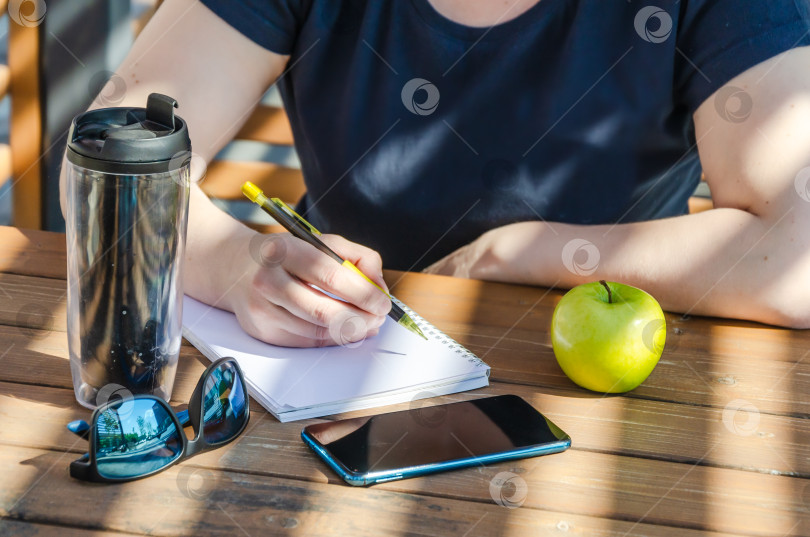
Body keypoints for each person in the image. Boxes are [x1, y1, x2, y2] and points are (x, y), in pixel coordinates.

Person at [65, 0, 810, 347]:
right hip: (338, 358)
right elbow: (105, 165)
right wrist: (233, 263)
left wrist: (514, 254)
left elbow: (799, 254)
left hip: (604, 377)